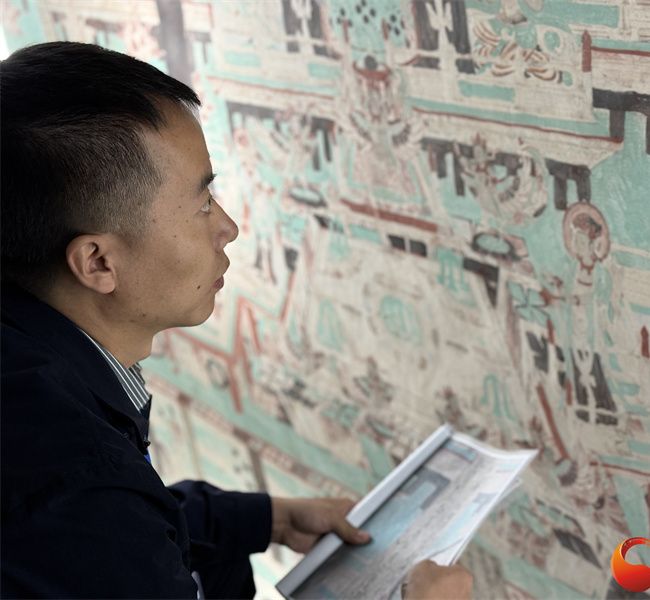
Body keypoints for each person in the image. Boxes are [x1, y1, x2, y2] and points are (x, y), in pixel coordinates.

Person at [0, 41, 473, 599]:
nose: (227, 228)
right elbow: (93, 514)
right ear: (99, 262)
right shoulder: (72, 476)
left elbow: (109, 542)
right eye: (203, 203)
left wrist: (264, 519)